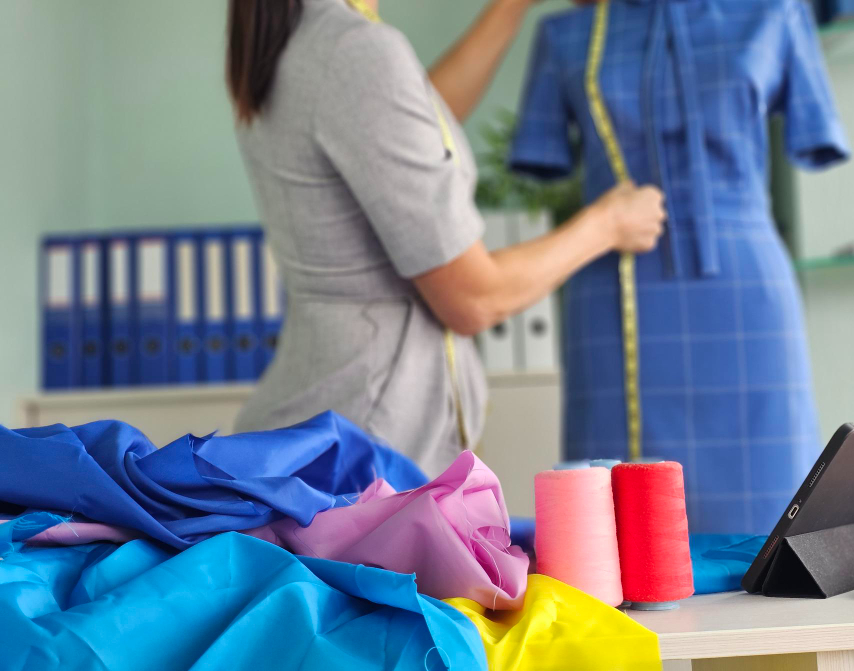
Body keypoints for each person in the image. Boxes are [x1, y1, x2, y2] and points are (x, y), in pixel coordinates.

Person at [225, 0, 666, 477]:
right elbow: (474, 298)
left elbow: (404, 133)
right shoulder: (357, 51)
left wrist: (509, 9)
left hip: (325, 429)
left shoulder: (307, 37)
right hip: (366, 457)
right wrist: (607, 223)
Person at [510, 0, 850, 534]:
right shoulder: (568, 33)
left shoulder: (774, 15)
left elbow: (814, 130)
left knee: (775, 522)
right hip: (614, 290)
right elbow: (542, 155)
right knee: (621, 540)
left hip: (744, 291)